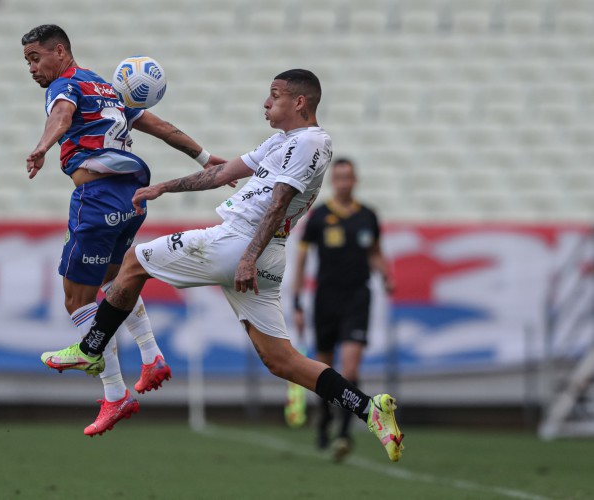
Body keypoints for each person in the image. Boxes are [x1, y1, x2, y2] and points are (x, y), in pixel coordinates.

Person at [41, 69, 405, 462]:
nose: (267, 102)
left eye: (275, 95)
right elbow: (222, 174)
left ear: (299, 102)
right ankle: (369, 409)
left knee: (133, 262)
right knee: (281, 360)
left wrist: (247, 257)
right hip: (262, 253)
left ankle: (92, 348)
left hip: (238, 244)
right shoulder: (282, 141)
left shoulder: (311, 142)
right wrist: (164, 186)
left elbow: (280, 200)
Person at [22, 24, 225, 436]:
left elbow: (61, 115)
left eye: (35, 58)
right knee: (116, 281)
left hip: (96, 200)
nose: (31, 68)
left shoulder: (65, 86)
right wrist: (205, 157)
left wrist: (42, 147)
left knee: (76, 299)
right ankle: (151, 356)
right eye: (27, 61)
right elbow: (162, 127)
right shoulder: (106, 88)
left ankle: (113, 393)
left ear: (60, 52)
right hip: (133, 199)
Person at [292, 157, 395, 462]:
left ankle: (344, 432)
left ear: (355, 180)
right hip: (325, 299)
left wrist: (385, 273)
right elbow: (301, 261)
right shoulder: (320, 216)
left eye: (348, 177)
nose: (344, 183)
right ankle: (324, 417)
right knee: (324, 370)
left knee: (350, 369)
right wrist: (297, 301)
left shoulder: (368, 216)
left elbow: (375, 253)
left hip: (357, 298)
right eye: (339, 178)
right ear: (333, 181)